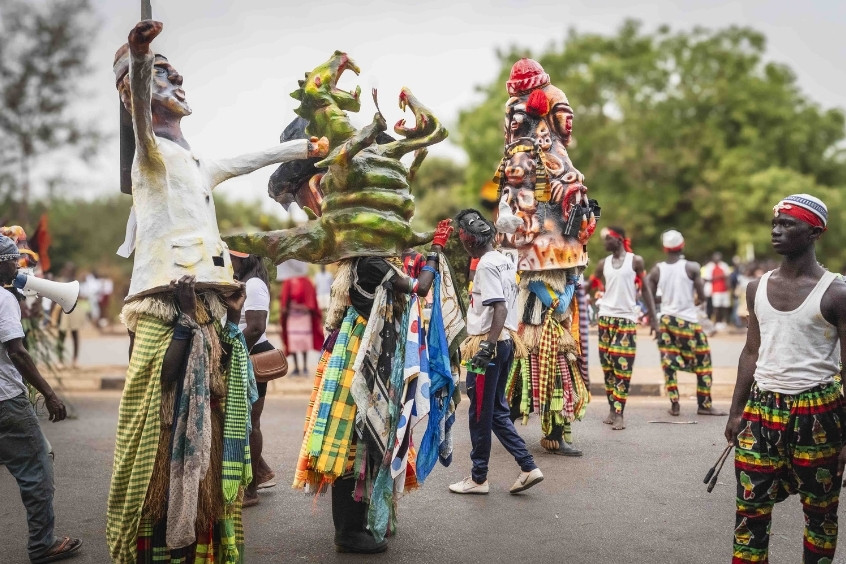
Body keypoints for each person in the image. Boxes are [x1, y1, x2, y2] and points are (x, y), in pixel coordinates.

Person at [107, 20, 327, 563]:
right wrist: (138, 59)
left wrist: (305, 145)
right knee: (156, 412)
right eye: (163, 75)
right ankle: (155, 534)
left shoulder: (196, 163)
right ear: (134, 90)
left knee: (213, 419)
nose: (176, 77)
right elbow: (137, 112)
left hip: (208, 302)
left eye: (171, 71)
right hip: (166, 298)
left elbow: (251, 158)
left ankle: (200, 524)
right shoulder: (148, 155)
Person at [293, 218, 457, 554]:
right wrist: (436, 249)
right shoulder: (371, 263)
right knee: (357, 440)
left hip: (367, 351)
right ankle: (348, 533)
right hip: (361, 357)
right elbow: (420, 287)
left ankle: (360, 522)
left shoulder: (366, 259)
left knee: (369, 439)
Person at [725, 194, 846, 564]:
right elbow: (751, 352)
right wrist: (736, 412)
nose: (777, 231)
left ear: (814, 232)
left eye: (788, 224)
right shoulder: (756, 288)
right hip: (762, 410)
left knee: (821, 515)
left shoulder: (837, 293)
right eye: (775, 223)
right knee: (750, 512)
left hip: (820, 413)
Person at [0, 235, 83, 563]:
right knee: (37, 467)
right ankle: (42, 543)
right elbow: (17, 353)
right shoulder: (3, 300)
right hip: (6, 401)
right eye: (12, 260)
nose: (17, 266)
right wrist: (50, 394)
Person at [450, 209, 542, 495]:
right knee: (497, 411)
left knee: (479, 412)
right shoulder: (504, 260)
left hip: (489, 347)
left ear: (471, 242)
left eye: (464, 239)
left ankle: (479, 478)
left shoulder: (488, 266)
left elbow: (499, 306)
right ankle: (528, 467)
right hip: (503, 344)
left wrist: (486, 347)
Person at [647, 230, 725, 417]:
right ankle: (704, 404)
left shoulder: (657, 270)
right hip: (688, 322)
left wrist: (653, 317)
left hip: (666, 321)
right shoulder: (691, 267)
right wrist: (695, 301)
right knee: (703, 361)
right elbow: (702, 295)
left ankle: (675, 404)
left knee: (668, 363)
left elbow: (647, 293)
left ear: (665, 248)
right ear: (682, 245)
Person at [593, 227, 658, 430]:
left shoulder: (635, 261)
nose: (605, 243)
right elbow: (590, 285)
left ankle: (620, 413)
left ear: (619, 239)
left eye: (608, 239)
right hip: (605, 319)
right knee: (608, 369)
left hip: (626, 319)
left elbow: (645, 288)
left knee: (623, 368)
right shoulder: (602, 264)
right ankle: (613, 409)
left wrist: (653, 318)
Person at [230, 250, 277, 507]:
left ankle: (250, 491)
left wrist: (232, 354)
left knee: (251, 421)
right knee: (240, 418)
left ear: (245, 259)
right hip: (244, 351)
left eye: (233, 257)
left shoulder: (254, 284)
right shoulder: (244, 281)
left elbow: (256, 326)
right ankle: (260, 472)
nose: (230, 261)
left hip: (251, 352)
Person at [279, 274, 323, 376]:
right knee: (293, 341)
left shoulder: (306, 281)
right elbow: (284, 300)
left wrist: (304, 307)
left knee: (304, 341)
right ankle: (296, 368)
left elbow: (311, 301)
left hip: (304, 317)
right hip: (292, 316)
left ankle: (304, 367)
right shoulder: (288, 280)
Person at [703, 252, 731, 331]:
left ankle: (724, 322)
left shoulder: (724, 265)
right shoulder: (709, 266)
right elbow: (707, 278)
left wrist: (728, 286)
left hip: (724, 289)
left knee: (725, 307)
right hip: (716, 290)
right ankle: (717, 322)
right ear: (713, 258)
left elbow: (728, 276)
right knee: (717, 307)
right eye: (716, 257)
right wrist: (720, 276)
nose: (717, 259)